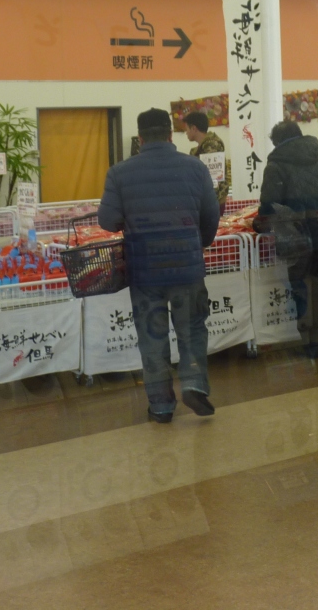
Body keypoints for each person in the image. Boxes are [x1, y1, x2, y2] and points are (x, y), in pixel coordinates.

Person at [98, 108, 220, 423]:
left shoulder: (119, 172)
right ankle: (194, 383)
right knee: (192, 328)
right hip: (187, 267)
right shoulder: (195, 167)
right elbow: (211, 216)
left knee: (152, 335)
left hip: (144, 271)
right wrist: (199, 244)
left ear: (140, 139)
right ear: (170, 134)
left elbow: (107, 220)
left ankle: (162, 405)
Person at [254, 120, 318, 359]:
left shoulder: (277, 164)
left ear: (277, 141)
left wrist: (259, 224)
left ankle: (312, 344)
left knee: (304, 289)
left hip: (299, 237)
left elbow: (270, 205)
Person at [184, 110, 230, 210]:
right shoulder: (200, 149)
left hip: (211, 202)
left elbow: (214, 178)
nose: (186, 132)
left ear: (193, 128)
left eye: (186, 128)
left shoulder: (212, 146)